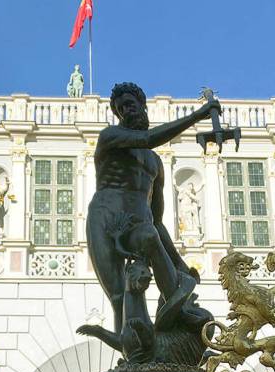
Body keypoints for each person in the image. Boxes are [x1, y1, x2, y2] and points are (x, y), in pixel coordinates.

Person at [84, 83, 219, 336]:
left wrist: (179, 263)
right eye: (121, 107)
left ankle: (176, 308)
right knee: (119, 296)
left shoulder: (155, 162)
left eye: (130, 104)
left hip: (138, 222)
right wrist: (198, 116)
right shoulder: (110, 136)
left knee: (149, 237)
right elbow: (148, 138)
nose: (127, 110)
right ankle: (131, 357)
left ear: (141, 105)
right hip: (105, 219)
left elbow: (157, 222)